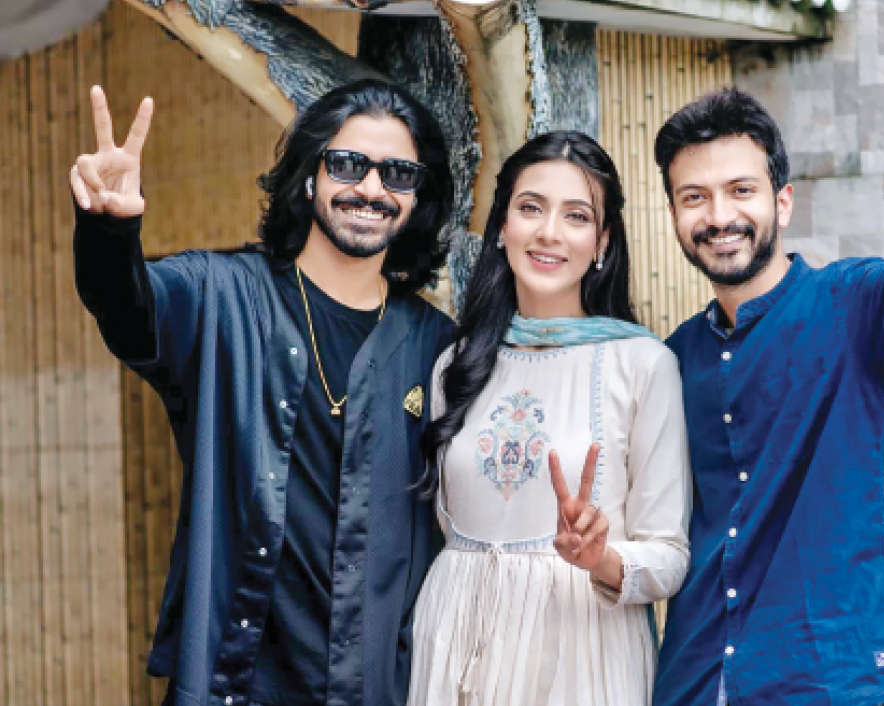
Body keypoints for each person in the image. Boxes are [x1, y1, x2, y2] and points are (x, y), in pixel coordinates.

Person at [70, 79, 455, 706]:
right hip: (234, 685)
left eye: (398, 174)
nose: (371, 189)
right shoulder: (221, 295)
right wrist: (109, 231)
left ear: (416, 198)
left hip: (375, 689)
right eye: (348, 164)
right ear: (308, 179)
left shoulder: (438, 346)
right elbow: (128, 311)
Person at [652, 23, 884, 706]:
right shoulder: (673, 357)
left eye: (740, 190)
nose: (719, 215)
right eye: (694, 197)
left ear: (782, 201)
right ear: (675, 214)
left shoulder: (853, 307)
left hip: (831, 679)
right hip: (696, 679)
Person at [405, 130, 692, 706]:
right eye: (531, 208)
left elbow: (669, 556)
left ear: (602, 242)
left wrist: (601, 558)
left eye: (577, 216)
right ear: (501, 227)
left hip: (580, 652)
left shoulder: (643, 364)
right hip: (455, 643)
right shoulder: (454, 366)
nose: (549, 232)